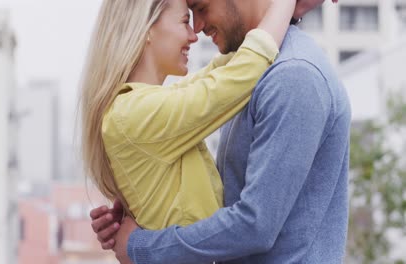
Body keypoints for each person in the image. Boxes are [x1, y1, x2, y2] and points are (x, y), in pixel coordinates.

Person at [90, 0, 350, 263]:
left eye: (201, 8)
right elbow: (228, 72)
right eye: (186, 19)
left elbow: (254, 225)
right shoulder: (143, 109)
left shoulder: (292, 75)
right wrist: (143, 202)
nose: (197, 29)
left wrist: (140, 245)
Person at [81, 0, 296, 232]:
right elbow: (243, 71)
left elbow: (224, 69)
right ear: (146, 28)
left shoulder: (143, 106)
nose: (194, 35)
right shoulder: (135, 113)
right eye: (185, 21)